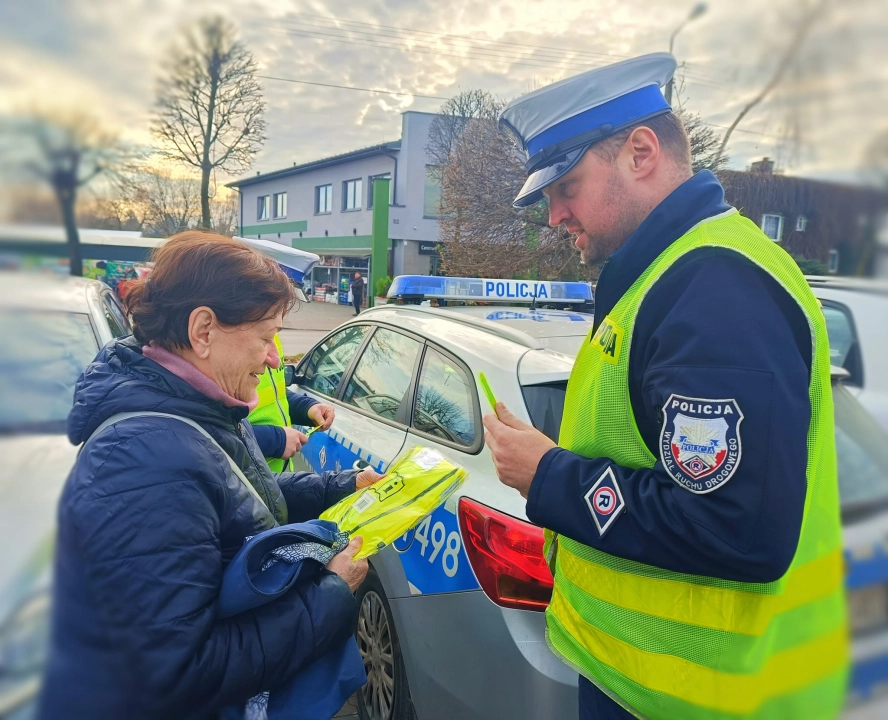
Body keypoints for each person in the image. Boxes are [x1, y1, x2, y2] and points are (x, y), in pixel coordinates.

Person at [484, 53, 847, 720]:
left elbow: (736, 530)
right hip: (650, 687)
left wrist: (549, 475)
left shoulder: (715, 289)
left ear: (641, 152)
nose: (554, 216)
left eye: (566, 186)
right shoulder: (670, 273)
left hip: (705, 702)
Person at [39, 231, 383, 720]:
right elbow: (178, 671)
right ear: (203, 330)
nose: (272, 360)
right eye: (265, 338)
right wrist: (331, 594)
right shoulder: (144, 460)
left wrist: (341, 486)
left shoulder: (197, 407)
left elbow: (232, 498)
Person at [250, 333, 335, 472]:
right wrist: (277, 440)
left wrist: (308, 408)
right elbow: (214, 435)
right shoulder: (232, 337)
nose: (275, 361)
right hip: (243, 481)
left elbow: (278, 395)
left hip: (274, 478)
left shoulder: (272, 335)